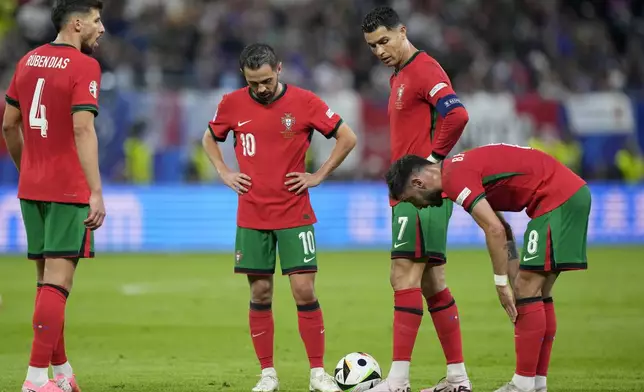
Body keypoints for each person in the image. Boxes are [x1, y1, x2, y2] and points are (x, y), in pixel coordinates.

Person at [202, 43, 357, 392]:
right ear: (245, 77)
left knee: (303, 290)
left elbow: (347, 137)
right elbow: (210, 139)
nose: (261, 88)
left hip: (294, 211)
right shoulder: (231, 103)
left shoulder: (305, 102)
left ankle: (317, 373)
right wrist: (224, 171)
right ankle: (268, 373)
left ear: (280, 69)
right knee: (260, 292)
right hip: (252, 213)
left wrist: (318, 175)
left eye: (267, 80)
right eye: (253, 82)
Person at [385, 143, 591, 392]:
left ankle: (522, 385)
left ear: (418, 183)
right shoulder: (459, 169)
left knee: (527, 289)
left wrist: (501, 282)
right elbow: (503, 229)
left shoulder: (453, 178)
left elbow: (492, 229)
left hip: (557, 199)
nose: (418, 206)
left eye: (411, 199)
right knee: (537, 291)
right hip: (565, 194)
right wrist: (513, 267)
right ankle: (536, 384)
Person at [361, 6, 471, 392]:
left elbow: (456, 115)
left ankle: (398, 380)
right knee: (432, 283)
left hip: (420, 195)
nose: (379, 50)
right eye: (373, 46)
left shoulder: (425, 70)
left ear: (403, 30)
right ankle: (457, 377)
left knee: (402, 275)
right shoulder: (398, 78)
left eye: (384, 41)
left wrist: (432, 163)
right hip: (413, 193)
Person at [2, 1, 106, 391]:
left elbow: (10, 125)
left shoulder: (27, 61)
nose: (102, 28)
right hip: (67, 188)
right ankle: (34, 380)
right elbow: (83, 130)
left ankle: (60, 374)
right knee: (58, 285)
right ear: (77, 24)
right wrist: (95, 190)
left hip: (33, 186)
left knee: (47, 283)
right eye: (96, 21)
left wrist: (27, 169)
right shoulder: (85, 66)